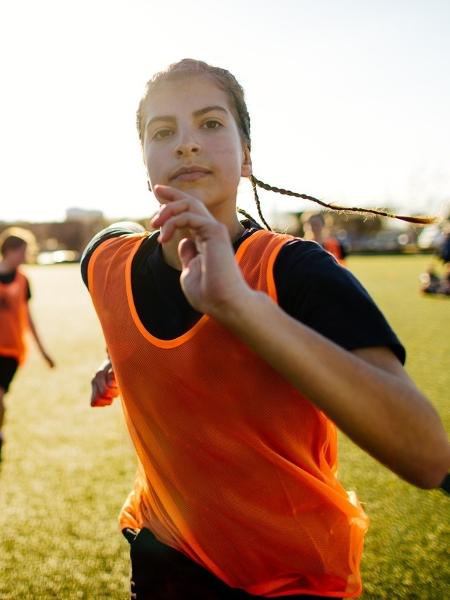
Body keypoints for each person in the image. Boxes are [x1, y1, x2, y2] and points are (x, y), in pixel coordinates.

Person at [82, 59, 450, 599]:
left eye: (210, 124)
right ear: (145, 160)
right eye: (163, 131)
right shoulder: (103, 261)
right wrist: (126, 357)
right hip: (164, 561)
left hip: (291, 579)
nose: (186, 144)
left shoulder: (296, 270)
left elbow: (427, 454)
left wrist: (242, 308)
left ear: (246, 155)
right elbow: (138, 309)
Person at [0, 228, 55, 461]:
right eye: (22, 252)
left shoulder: (23, 280)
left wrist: (43, 352)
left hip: (12, 351)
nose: (25, 256)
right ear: (9, 251)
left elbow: (28, 317)